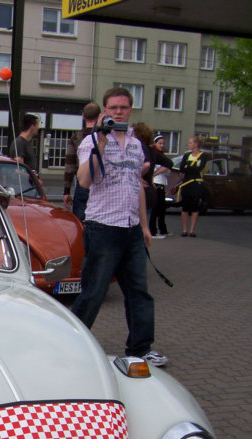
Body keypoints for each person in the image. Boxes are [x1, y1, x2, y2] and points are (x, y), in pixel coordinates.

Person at [70, 86, 168, 367]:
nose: (118, 112)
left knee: (139, 291)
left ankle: (140, 348)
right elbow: (86, 181)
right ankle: (72, 343)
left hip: (131, 229)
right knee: (93, 293)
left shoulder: (137, 146)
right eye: (112, 108)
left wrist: (145, 226)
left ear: (130, 111)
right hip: (103, 228)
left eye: (123, 108)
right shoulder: (92, 141)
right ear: (104, 111)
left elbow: (136, 185)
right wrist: (100, 140)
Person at [133, 123, 173, 239]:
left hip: (140, 191)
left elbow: (146, 164)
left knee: (136, 232)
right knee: (144, 228)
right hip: (150, 191)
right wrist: (153, 174)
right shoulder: (152, 151)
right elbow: (169, 163)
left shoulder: (139, 148)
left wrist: (137, 176)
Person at [62, 102, 100, 221]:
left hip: (82, 181)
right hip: (101, 182)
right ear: (99, 116)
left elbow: (69, 165)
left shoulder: (76, 137)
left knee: (79, 221)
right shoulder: (103, 137)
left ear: (83, 116)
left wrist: (66, 191)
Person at [177, 135, 210, 237]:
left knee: (194, 206)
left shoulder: (203, 156)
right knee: (185, 206)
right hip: (187, 183)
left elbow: (199, 169)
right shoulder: (186, 155)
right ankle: (184, 230)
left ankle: (192, 230)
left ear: (196, 144)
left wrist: (189, 168)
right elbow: (182, 168)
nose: (188, 145)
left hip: (196, 183)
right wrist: (191, 168)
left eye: (190, 143)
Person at [150, 134, 171, 237]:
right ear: (155, 143)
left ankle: (163, 229)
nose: (162, 145)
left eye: (163, 143)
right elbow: (151, 169)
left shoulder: (163, 156)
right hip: (155, 183)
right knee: (156, 208)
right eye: (160, 143)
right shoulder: (153, 155)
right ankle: (152, 230)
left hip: (162, 182)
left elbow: (167, 171)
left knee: (162, 208)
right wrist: (157, 173)